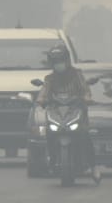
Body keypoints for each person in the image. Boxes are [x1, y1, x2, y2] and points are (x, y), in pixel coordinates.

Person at [35, 46, 97, 181]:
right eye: (55, 62)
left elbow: (85, 90)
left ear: (67, 60)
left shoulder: (77, 74)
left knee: (85, 136)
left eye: (60, 61)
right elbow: (44, 92)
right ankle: (52, 160)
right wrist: (41, 99)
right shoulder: (49, 78)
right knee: (50, 134)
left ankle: (94, 168)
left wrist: (87, 97)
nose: (58, 64)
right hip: (56, 112)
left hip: (76, 110)